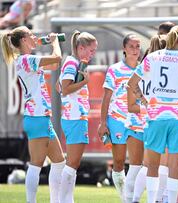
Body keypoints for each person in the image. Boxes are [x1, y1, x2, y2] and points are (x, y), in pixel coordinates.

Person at [127, 25, 178, 203]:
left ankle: (148, 200)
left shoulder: (152, 57)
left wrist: (145, 101)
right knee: (173, 166)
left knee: (152, 165)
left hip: (155, 117)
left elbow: (130, 84)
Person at [1, 26, 65, 203]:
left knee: (59, 162)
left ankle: (55, 200)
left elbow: (54, 64)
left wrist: (53, 45)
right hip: (36, 117)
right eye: (31, 35)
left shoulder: (28, 59)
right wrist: (54, 42)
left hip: (42, 117)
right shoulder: (26, 59)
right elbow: (57, 58)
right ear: (23, 40)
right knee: (36, 164)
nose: (35, 37)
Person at [97, 34, 144, 203]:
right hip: (117, 119)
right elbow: (106, 97)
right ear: (124, 49)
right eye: (131, 46)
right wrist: (103, 122)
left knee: (138, 163)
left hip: (138, 121)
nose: (135, 50)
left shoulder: (144, 69)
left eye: (137, 46)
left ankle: (133, 198)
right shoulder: (115, 69)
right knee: (118, 161)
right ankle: (124, 197)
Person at [59, 30, 97, 202]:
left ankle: (68, 199)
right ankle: (62, 199)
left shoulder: (72, 62)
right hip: (74, 117)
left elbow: (58, 88)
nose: (92, 54)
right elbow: (65, 90)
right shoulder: (72, 63)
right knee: (72, 163)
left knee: (73, 164)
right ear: (81, 48)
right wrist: (84, 82)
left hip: (74, 116)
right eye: (91, 50)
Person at [131, 34, 169, 203]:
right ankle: (159, 199)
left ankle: (135, 198)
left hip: (149, 117)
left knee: (147, 164)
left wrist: (144, 100)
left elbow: (132, 85)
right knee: (163, 164)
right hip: (163, 116)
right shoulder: (163, 66)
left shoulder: (145, 65)